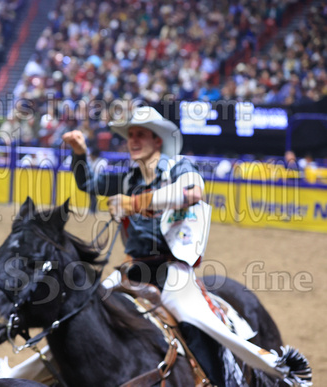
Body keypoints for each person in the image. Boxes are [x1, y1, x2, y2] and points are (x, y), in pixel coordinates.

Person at [62, 106, 311, 386]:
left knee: (196, 321)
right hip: (132, 268)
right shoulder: (129, 177)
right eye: (130, 134)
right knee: (85, 310)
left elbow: (194, 192)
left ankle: (256, 374)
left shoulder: (178, 167)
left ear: (158, 140)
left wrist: (135, 203)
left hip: (172, 270)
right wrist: (79, 153)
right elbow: (89, 184)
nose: (132, 140)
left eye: (141, 134)